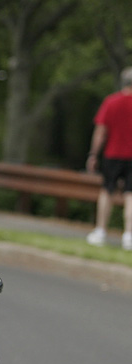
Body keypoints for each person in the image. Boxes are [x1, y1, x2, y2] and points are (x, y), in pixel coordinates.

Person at [85, 66, 132, 250]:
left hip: (113, 154)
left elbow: (100, 131)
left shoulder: (111, 102)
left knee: (107, 191)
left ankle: (101, 230)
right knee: (130, 195)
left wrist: (93, 154)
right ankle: (129, 235)